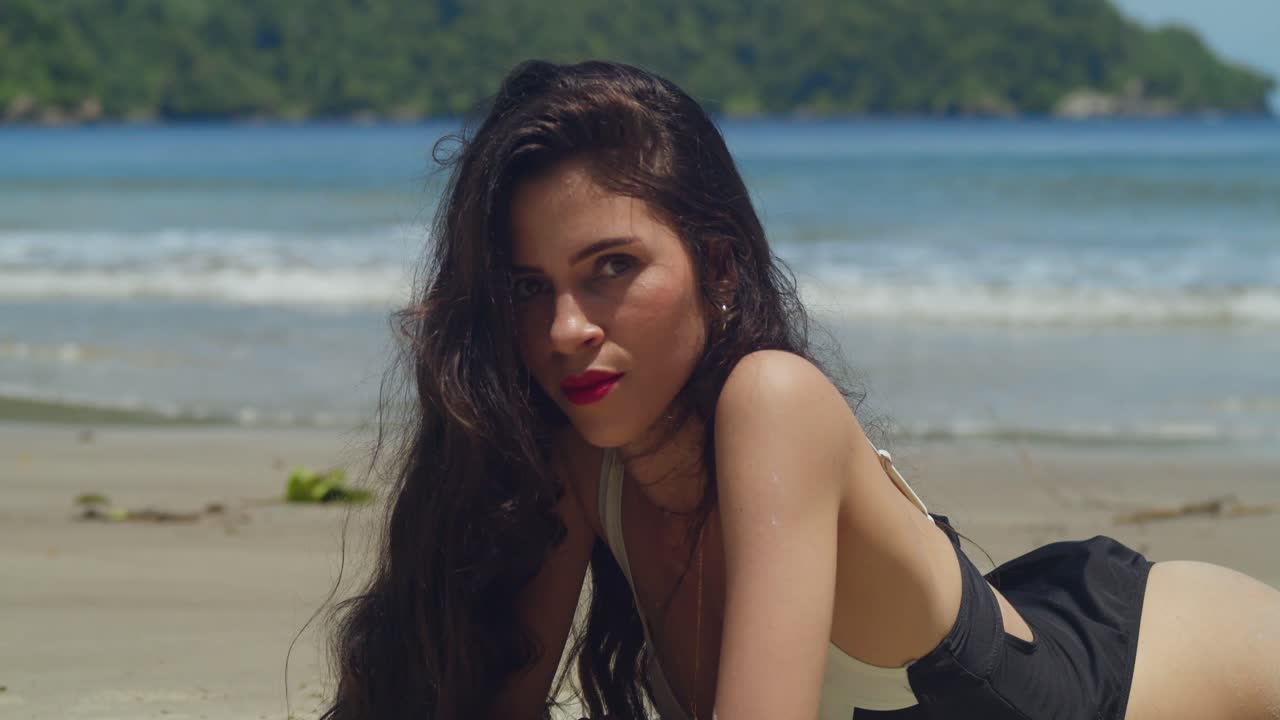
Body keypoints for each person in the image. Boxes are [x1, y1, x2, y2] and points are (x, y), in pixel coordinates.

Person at [321, 60, 1280, 720]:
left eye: (611, 266)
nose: (566, 327)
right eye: (531, 288)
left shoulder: (773, 401)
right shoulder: (587, 457)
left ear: (720, 270)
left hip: (1176, 667)